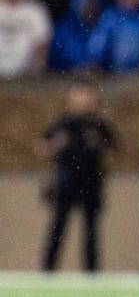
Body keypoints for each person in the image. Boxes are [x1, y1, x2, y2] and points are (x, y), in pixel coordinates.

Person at [38, 79, 118, 272]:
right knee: (58, 227)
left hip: (91, 182)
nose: (83, 99)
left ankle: (91, 272)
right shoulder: (63, 122)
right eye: (79, 94)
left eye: (87, 94)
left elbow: (116, 149)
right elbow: (42, 146)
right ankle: (48, 270)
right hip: (66, 181)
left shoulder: (98, 124)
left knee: (90, 231)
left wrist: (100, 145)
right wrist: (55, 144)